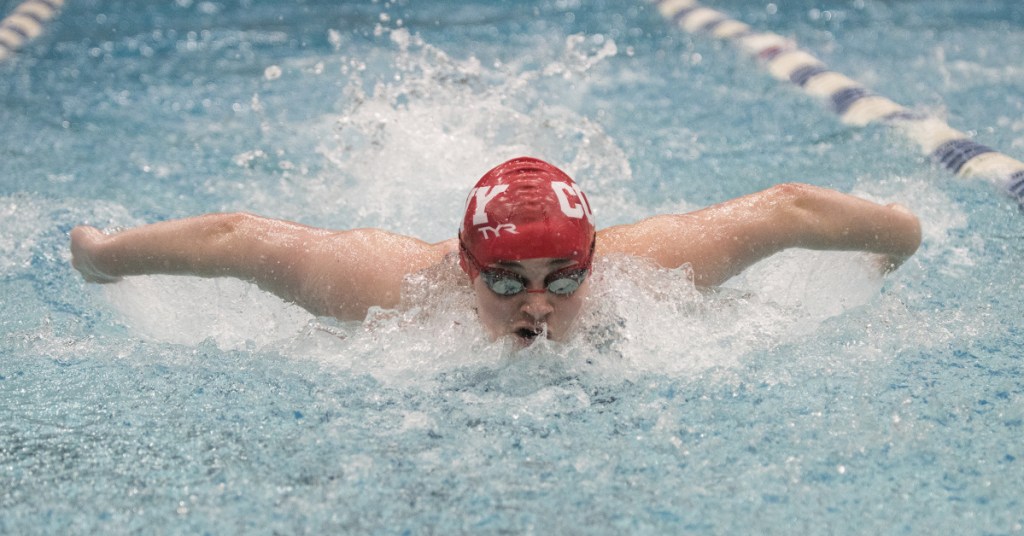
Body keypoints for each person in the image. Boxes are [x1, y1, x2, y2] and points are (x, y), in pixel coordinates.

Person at [70, 157, 922, 346]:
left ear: (596, 257)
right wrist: (103, 258)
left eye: (566, 277)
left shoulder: (651, 267)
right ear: (466, 266)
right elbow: (235, 239)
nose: (539, 306)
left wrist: (897, 239)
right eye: (509, 282)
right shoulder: (390, 286)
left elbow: (788, 209)